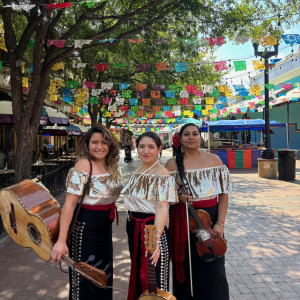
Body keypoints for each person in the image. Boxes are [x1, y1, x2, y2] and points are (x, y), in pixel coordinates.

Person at [51, 125, 123, 300]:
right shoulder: (83, 164)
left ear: (111, 145)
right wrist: (61, 241)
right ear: (87, 144)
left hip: (104, 228)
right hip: (85, 229)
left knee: (103, 277)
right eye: (95, 142)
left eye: (104, 142)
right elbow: (69, 204)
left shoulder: (111, 164)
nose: (99, 147)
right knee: (84, 279)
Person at [165, 123, 232, 300]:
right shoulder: (171, 164)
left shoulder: (214, 160)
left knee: (215, 270)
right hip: (183, 220)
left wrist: (220, 224)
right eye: (186, 134)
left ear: (200, 137)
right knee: (187, 268)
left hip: (211, 219)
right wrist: (178, 199)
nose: (191, 137)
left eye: (195, 134)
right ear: (179, 139)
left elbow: (224, 195)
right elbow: (165, 198)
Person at [122, 132, 177, 300]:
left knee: (154, 281)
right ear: (136, 148)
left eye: (151, 147)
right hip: (134, 227)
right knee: (139, 274)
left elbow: (162, 209)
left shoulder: (162, 173)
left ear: (159, 149)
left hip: (151, 229)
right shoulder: (138, 171)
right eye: (141, 146)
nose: (146, 151)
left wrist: (155, 240)